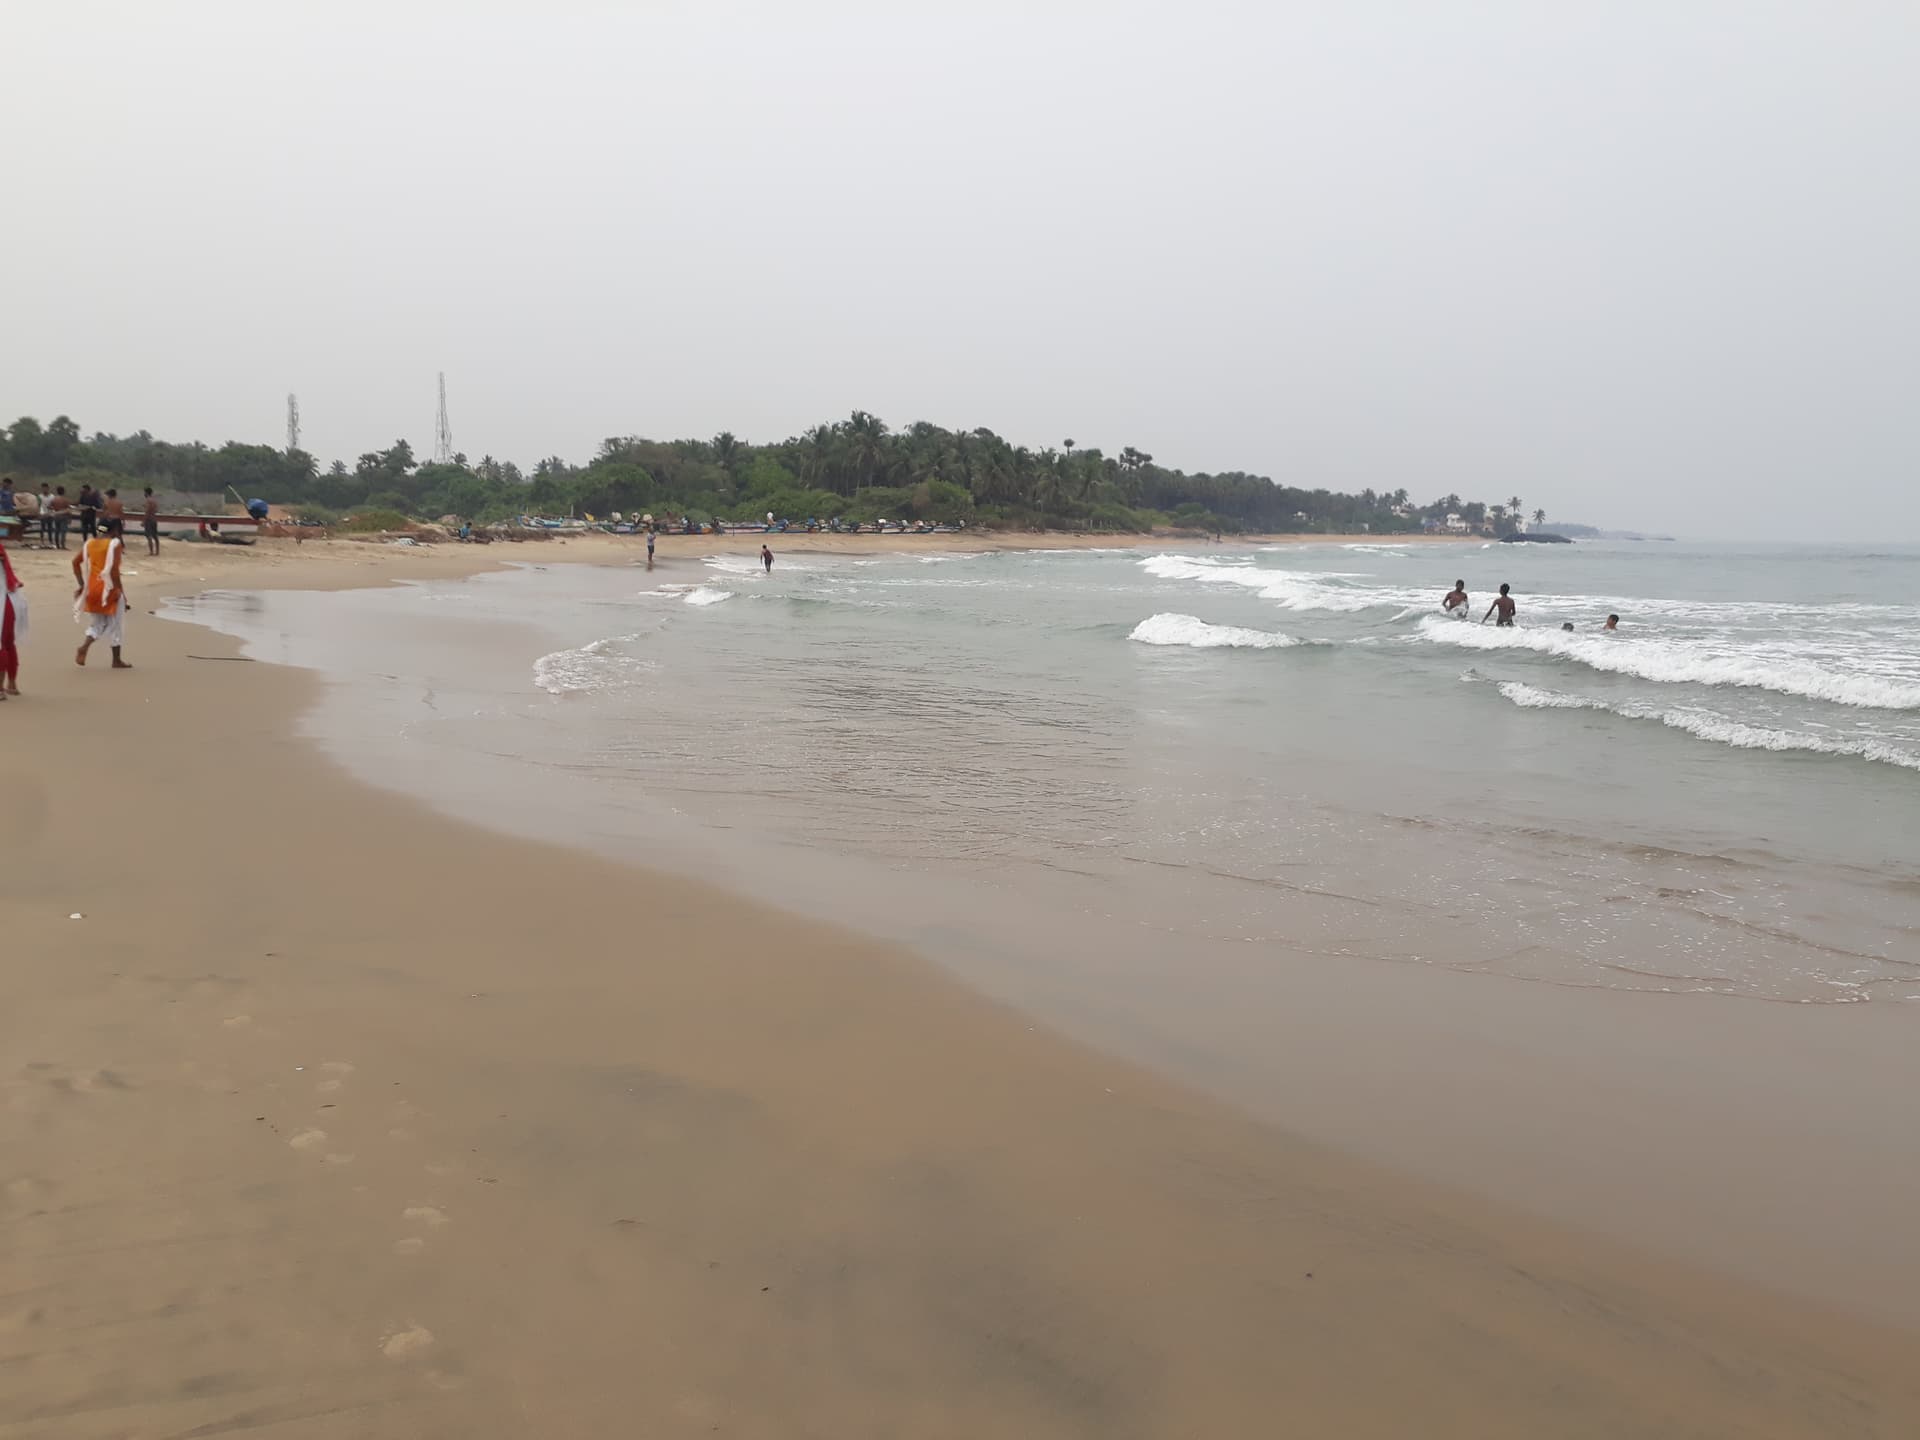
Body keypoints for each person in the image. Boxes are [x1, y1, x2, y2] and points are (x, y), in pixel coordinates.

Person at [73, 517, 131, 669]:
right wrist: (122, 592)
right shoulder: (114, 544)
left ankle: (84, 647)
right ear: (114, 530)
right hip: (109, 590)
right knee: (116, 625)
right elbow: (114, 572)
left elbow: (75, 562)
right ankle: (116, 660)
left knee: (98, 623)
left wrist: (82, 585)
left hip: (93, 589)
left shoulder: (90, 543)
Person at [0, 537, 22, 697]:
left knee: (2, 645)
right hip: (12, 599)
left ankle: (0, 689)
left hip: (3, 601)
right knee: (8, 643)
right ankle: (12, 684)